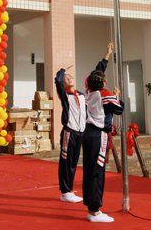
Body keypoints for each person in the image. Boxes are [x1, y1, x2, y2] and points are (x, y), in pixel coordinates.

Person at [83, 43, 124, 223]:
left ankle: (91, 207)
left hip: (88, 133)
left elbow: (97, 73)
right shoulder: (105, 94)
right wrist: (117, 96)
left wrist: (107, 54)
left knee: (89, 170)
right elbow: (119, 109)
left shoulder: (89, 92)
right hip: (99, 135)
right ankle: (94, 211)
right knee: (97, 172)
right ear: (104, 83)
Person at [55, 64, 86, 203]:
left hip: (80, 133)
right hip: (69, 132)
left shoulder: (82, 95)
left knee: (73, 162)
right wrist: (63, 71)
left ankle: (69, 190)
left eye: (70, 77)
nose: (68, 79)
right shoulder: (65, 95)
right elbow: (57, 80)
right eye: (65, 79)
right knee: (66, 162)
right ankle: (65, 191)